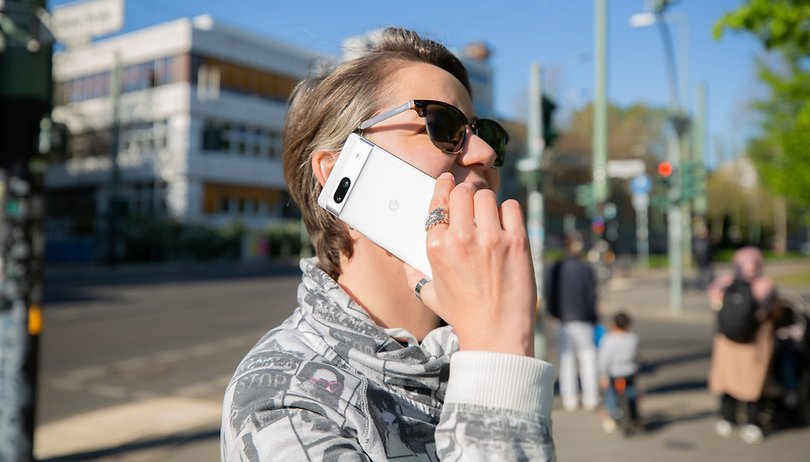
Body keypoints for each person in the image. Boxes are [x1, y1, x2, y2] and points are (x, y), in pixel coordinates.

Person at [220, 28, 556, 461]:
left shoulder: (469, 347)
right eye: (443, 124)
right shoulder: (282, 400)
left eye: (486, 132)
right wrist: (498, 354)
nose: (484, 153)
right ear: (342, 170)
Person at [707, 246, 776, 444]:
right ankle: (752, 424)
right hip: (754, 345)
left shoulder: (723, 283)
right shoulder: (765, 286)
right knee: (754, 386)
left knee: (727, 382)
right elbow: (769, 312)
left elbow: (715, 304)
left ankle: (727, 419)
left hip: (726, 343)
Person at [546, 232, 600, 411]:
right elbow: (592, 296)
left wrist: (553, 314)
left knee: (566, 358)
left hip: (563, 319)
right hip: (584, 318)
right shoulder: (586, 268)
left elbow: (550, 292)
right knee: (588, 357)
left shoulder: (556, 267)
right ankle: (591, 397)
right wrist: (594, 317)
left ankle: (569, 398)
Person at [597, 312, 641, 434]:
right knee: (631, 393)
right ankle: (634, 417)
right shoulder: (633, 338)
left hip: (614, 374)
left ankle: (613, 415)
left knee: (611, 395)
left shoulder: (608, 339)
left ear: (614, 324)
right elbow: (636, 356)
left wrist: (603, 376)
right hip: (629, 373)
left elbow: (604, 359)